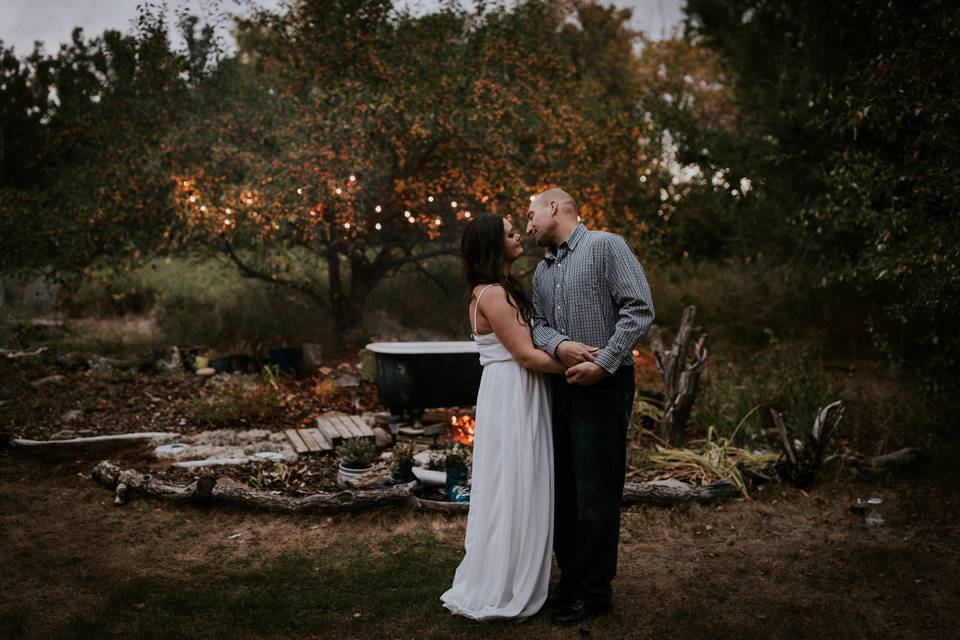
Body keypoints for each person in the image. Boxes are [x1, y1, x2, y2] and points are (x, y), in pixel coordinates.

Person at [526, 188, 654, 625]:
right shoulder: (540, 272)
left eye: (531, 215)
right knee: (562, 490)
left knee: (596, 495)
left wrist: (603, 363)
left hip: (604, 388)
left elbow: (638, 309)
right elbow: (537, 324)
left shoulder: (606, 246)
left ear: (555, 207)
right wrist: (559, 345)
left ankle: (595, 591)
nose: (528, 226)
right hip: (559, 388)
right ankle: (572, 579)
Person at [440, 213, 566, 620]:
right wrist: (587, 362)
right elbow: (527, 355)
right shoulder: (492, 294)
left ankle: (517, 570)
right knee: (514, 481)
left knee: (518, 481)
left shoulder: (501, 288)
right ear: (494, 246)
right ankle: (505, 581)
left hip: (516, 389)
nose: (518, 236)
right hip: (513, 392)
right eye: (510, 233)